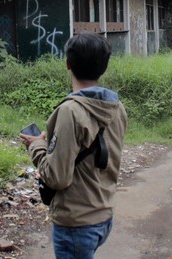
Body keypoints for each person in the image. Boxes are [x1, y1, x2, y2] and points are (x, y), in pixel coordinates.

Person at [20, 32, 128, 258]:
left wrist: (37, 146)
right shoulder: (116, 108)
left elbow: (57, 177)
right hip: (103, 215)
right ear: (104, 67)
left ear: (68, 64)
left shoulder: (70, 111)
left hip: (76, 223)